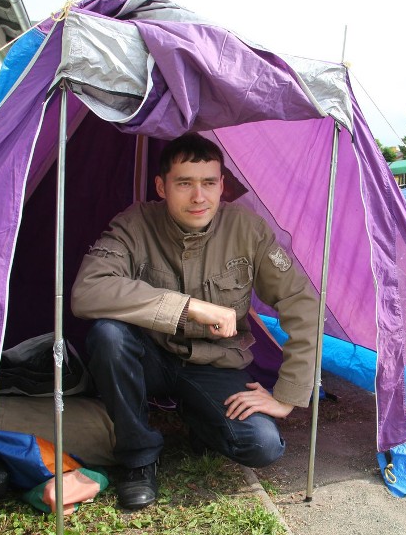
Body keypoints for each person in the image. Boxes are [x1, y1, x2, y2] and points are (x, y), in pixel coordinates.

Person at [71, 133, 319, 511]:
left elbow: (302, 302)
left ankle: (199, 417)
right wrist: (190, 308)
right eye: (184, 183)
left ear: (222, 185)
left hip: (214, 364)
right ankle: (138, 459)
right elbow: (87, 291)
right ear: (162, 186)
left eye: (208, 183)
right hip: (148, 356)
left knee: (263, 445)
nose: (198, 197)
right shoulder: (134, 224)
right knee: (108, 335)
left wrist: (287, 395)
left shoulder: (247, 230)